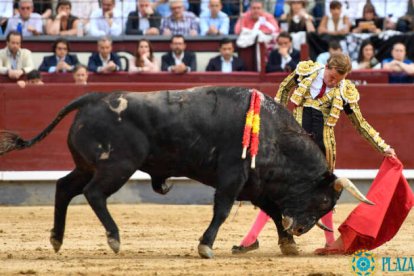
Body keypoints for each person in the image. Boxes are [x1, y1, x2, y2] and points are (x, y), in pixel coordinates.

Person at [232, 53, 396, 255]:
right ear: (326, 67)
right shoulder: (305, 72)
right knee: (275, 191)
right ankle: (251, 238)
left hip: (322, 150)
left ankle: (329, 242)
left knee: (324, 194)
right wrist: (275, 122)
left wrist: (383, 146)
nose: (334, 82)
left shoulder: (345, 90)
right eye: (332, 77)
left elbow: (360, 124)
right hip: (295, 146)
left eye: (339, 80)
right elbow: (283, 90)